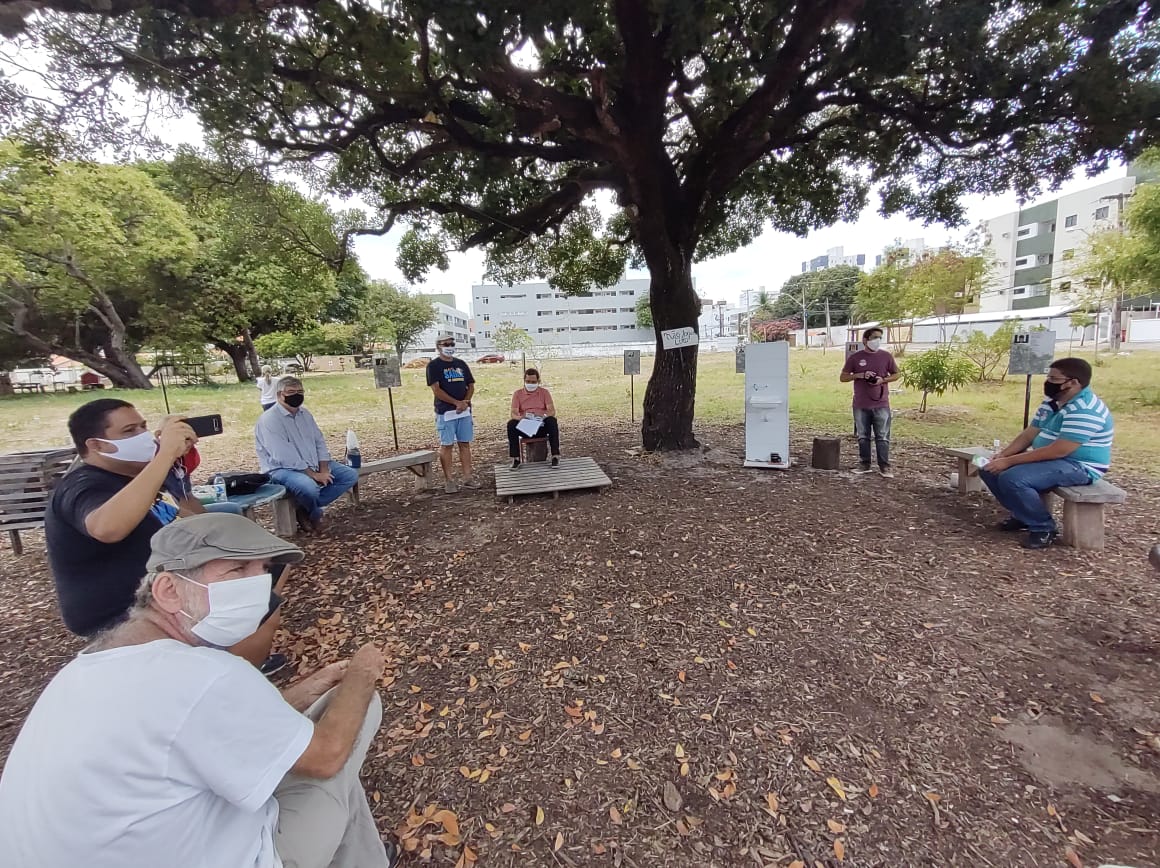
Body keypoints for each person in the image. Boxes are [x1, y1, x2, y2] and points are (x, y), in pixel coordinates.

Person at [0, 514, 400, 868]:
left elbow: (207, 728)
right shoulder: (205, 674)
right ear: (169, 591)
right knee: (351, 732)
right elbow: (326, 757)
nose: (258, 586)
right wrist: (363, 672)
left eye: (263, 571)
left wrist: (310, 686)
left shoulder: (89, 667)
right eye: (237, 571)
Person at [45, 398, 286, 672]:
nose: (143, 436)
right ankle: (231, 674)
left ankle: (232, 664)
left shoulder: (135, 478)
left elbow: (190, 518)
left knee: (268, 569)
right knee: (253, 594)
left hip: (166, 589)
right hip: (125, 610)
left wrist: (175, 471)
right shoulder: (82, 485)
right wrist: (163, 456)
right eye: (129, 431)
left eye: (143, 427)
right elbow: (107, 528)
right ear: (96, 445)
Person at [980, 357, 1114, 550]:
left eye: (1054, 378)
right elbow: (1030, 433)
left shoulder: (1085, 410)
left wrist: (1009, 462)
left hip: (1079, 465)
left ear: (1073, 382)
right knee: (989, 469)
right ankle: (1023, 515)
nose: (1048, 382)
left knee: (1013, 479)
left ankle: (1043, 528)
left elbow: (1058, 451)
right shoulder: (1053, 401)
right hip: (1053, 459)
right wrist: (1003, 455)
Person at [255, 376, 358, 531]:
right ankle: (315, 514)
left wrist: (323, 468)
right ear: (279, 395)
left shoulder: (305, 414)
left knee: (349, 475)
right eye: (290, 392)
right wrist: (314, 475)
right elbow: (283, 455)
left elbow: (319, 441)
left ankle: (304, 507)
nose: (296, 395)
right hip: (281, 469)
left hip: (312, 463)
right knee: (309, 487)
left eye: (299, 391)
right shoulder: (270, 420)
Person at [840, 327, 900, 477]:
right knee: (863, 436)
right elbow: (843, 377)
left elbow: (897, 374)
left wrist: (883, 380)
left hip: (881, 404)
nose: (877, 340)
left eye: (880, 337)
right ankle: (864, 463)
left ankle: (884, 466)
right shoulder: (855, 357)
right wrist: (860, 375)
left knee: (883, 436)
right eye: (874, 337)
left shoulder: (886, 356)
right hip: (861, 404)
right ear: (865, 340)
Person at [425, 336, 479, 493]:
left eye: (452, 344)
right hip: (446, 412)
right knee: (447, 445)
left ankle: (468, 477)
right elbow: (436, 389)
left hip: (464, 411)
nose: (450, 346)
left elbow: (470, 385)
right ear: (438, 347)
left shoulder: (460, 364)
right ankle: (449, 480)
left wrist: (465, 401)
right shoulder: (433, 366)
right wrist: (456, 403)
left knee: (464, 444)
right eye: (446, 344)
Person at [508, 367, 561, 469]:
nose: (530, 384)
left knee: (552, 421)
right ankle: (516, 458)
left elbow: (552, 410)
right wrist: (521, 418)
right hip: (525, 426)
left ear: (538, 381)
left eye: (533, 382)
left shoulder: (544, 393)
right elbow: (513, 413)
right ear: (524, 381)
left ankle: (555, 456)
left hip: (540, 426)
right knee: (511, 424)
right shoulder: (518, 394)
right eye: (528, 381)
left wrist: (543, 416)